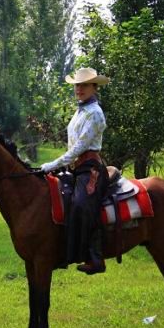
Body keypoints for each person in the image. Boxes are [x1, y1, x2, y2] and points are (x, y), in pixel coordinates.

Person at [40, 68, 110, 275]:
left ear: (94, 88)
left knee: (81, 204)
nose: (79, 89)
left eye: (84, 85)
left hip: (90, 169)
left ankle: (95, 257)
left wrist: (53, 164)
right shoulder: (80, 110)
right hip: (76, 168)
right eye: (77, 85)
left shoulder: (95, 114)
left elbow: (79, 147)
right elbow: (73, 145)